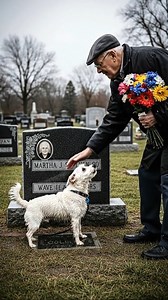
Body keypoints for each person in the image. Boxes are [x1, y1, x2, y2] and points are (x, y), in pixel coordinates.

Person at [66, 34, 168, 259]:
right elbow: (114, 120)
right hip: (158, 136)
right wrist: (89, 150)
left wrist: (159, 116)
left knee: (167, 180)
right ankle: (152, 228)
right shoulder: (117, 83)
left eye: (100, 66)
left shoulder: (152, 57)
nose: (99, 71)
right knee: (148, 174)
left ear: (113, 55)